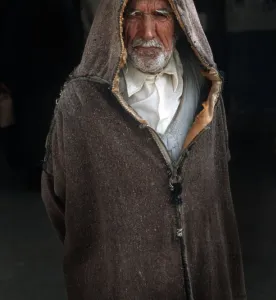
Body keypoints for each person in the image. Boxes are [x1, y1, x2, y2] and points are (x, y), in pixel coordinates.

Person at [41, 0, 247, 299]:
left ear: (181, 23)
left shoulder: (206, 91)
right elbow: (60, 203)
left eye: (161, 15)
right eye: (133, 15)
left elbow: (216, 190)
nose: (147, 32)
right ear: (115, 23)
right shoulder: (81, 103)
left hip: (202, 278)